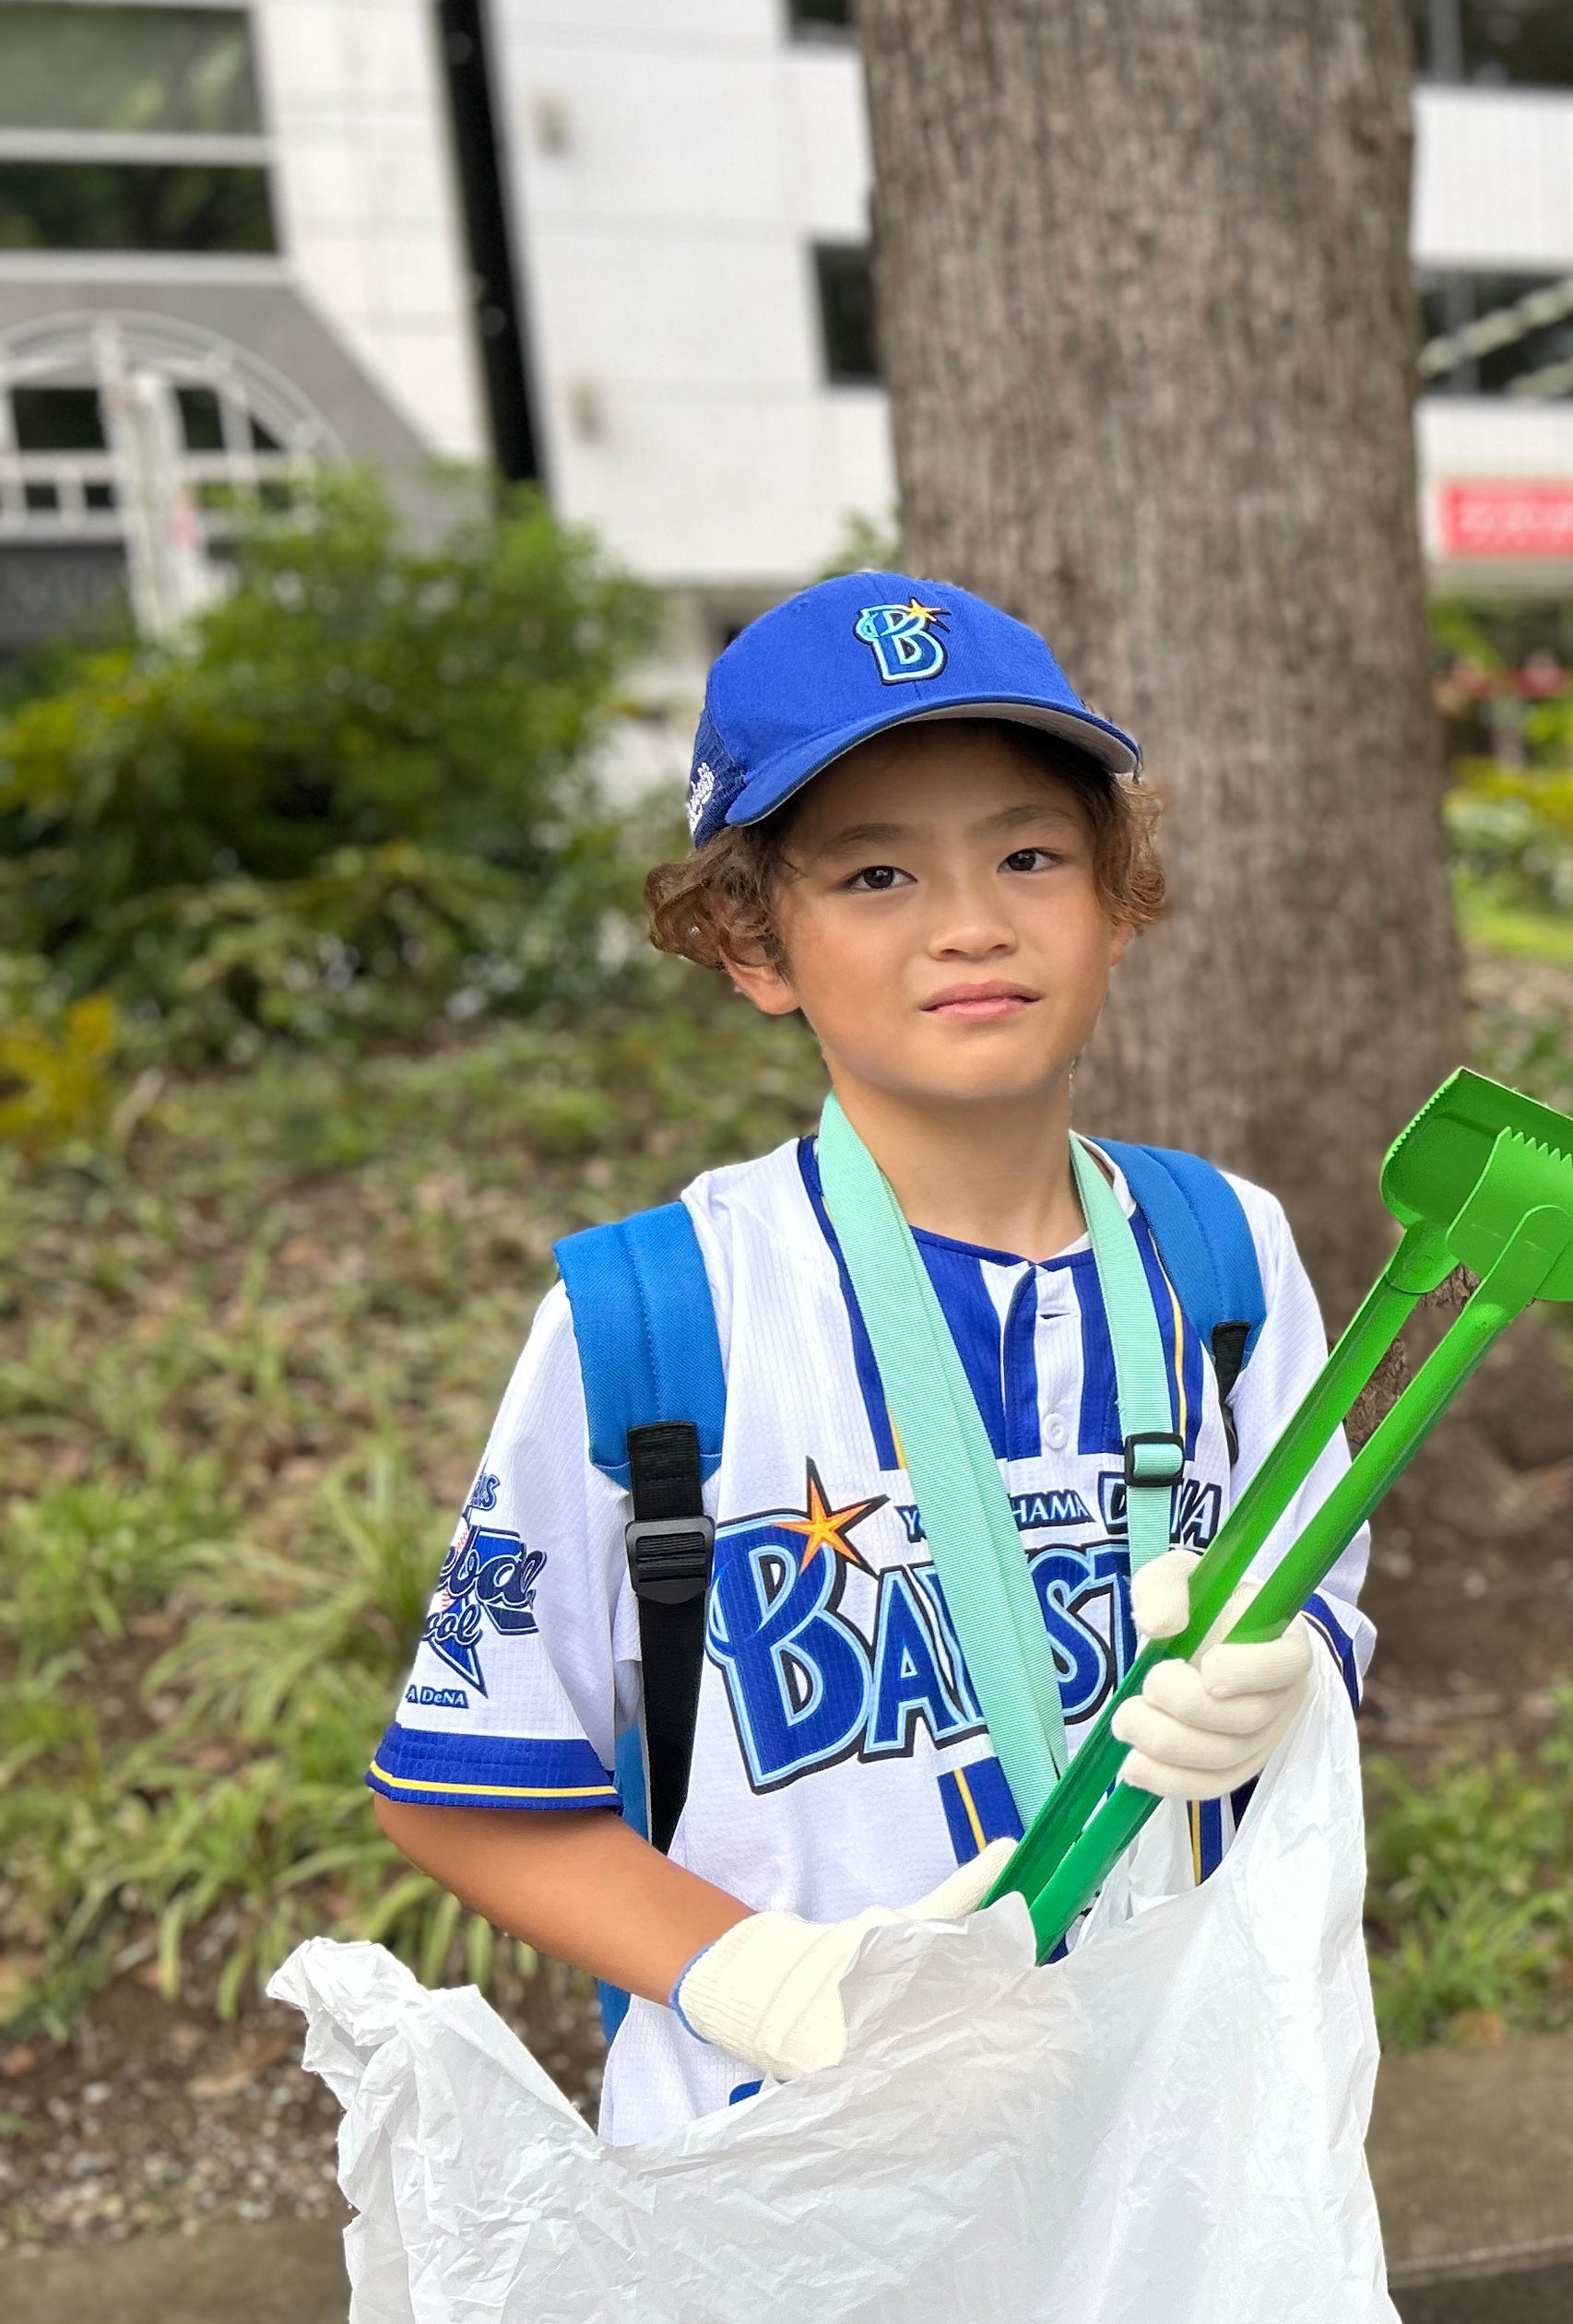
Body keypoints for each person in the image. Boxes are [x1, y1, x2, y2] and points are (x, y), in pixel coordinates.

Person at [368, 572, 1367, 2141]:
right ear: (755, 942)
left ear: (1118, 899)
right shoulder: (656, 1319)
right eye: (878, 873)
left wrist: (1292, 1669)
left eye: (1030, 853)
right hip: (780, 2182)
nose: (971, 922)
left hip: (1177, 2153)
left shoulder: (1223, 1257)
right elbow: (460, 1789)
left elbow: (1323, 1583)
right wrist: (763, 1977)